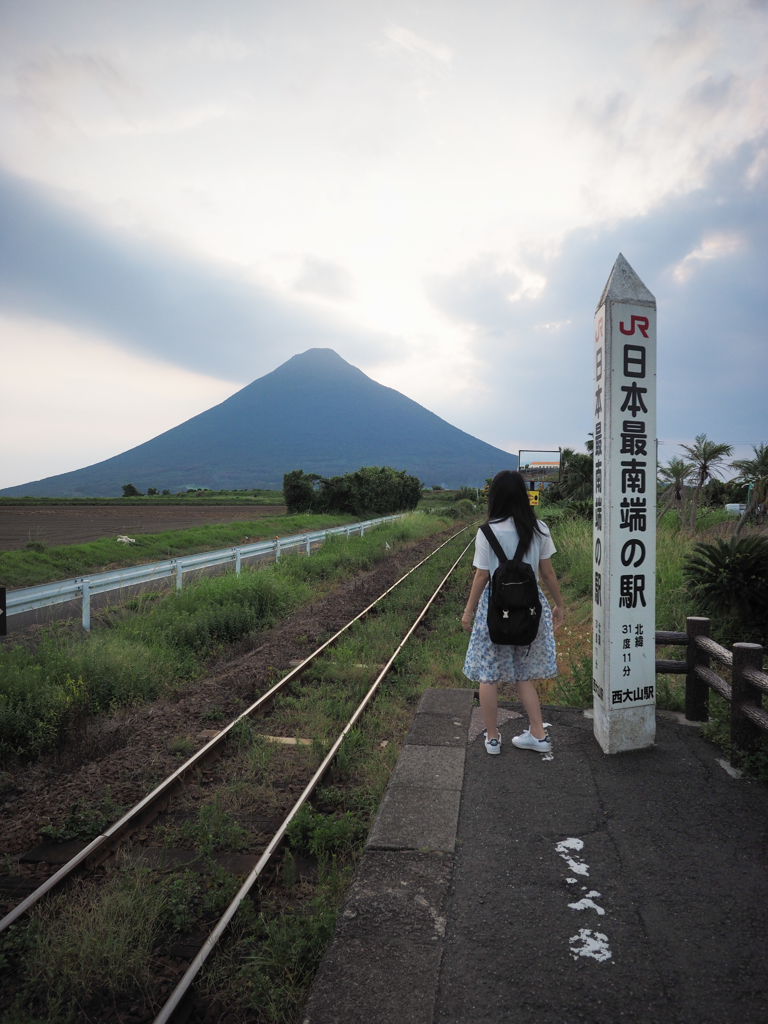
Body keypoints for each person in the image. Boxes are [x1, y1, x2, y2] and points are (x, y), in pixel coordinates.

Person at [461, 469, 564, 754]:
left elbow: (482, 576)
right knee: (523, 674)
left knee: (488, 675)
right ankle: (539, 735)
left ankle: (493, 738)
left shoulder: (487, 531)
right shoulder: (539, 528)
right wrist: (559, 604)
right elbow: (548, 572)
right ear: (523, 497)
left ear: (495, 497)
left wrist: (468, 611)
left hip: (494, 610)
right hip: (530, 609)